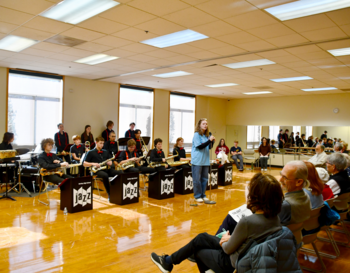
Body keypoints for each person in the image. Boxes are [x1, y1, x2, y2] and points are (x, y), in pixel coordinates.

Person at [151, 173, 284, 273]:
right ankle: (169, 261)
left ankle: (169, 261)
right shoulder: (275, 219)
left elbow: (227, 248)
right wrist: (231, 239)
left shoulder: (247, 222)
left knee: (199, 250)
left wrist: (227, 239)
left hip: (232, 261)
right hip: (249, 255)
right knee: (202, 238)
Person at [216, 161, 311, 235]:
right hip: (293, 240)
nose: (280, 179)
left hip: (268, 243)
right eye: (281, 174)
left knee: (230, 219)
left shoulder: (286, 205)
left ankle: (218, 246)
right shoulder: (306, 196)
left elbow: (263, 225)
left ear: (299, 182)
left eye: (285, 177)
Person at [191, 118, 215, 203]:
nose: (205, 125)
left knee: (204, 178)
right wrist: (209, 140)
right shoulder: (196, 135)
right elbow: (200, 146)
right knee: (197, 179)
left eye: (206, 124)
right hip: (197, 160)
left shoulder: (206, 135)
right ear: (199, 125)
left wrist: (212, 141)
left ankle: (203, 195)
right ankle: (197, 196)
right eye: (203, 124)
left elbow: (209, 147)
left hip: (205, 160)